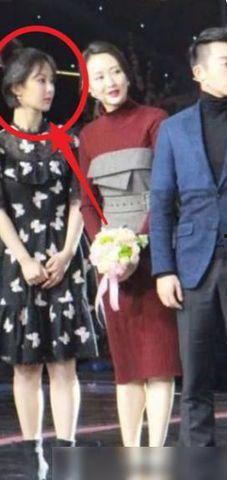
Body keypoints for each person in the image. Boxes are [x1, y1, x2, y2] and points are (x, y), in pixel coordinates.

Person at [0, 46, 98, 480]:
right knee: (25, 364)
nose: (49, 88)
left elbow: (80, 199)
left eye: (52, 81)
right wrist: (24, 259)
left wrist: (67, 253)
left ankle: (66, 456)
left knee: (64, 362)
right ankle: (33, 457)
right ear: (16, 88)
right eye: (40, 80)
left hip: (64, 259)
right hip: (16, 265)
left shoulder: (68, 141)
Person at [78, 41, 181, 447]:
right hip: (113, 265)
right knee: (127, 369)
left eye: (115, 71)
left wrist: (136, 244)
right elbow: (88, 202)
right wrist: (104, 251)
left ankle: (157, 456)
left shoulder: (155, 120)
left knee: (159, 364)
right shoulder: (88, 136)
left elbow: (166, 190)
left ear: (127, 74)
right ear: (88, 88)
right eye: (99, 76)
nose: (110, 81)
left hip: (156, 256)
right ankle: (131, 455)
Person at [150, 26, 227, 446]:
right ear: (199, 72)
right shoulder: (174, 129)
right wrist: (164, 269)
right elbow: (161, 202)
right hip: (195, 265)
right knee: (195, 377)